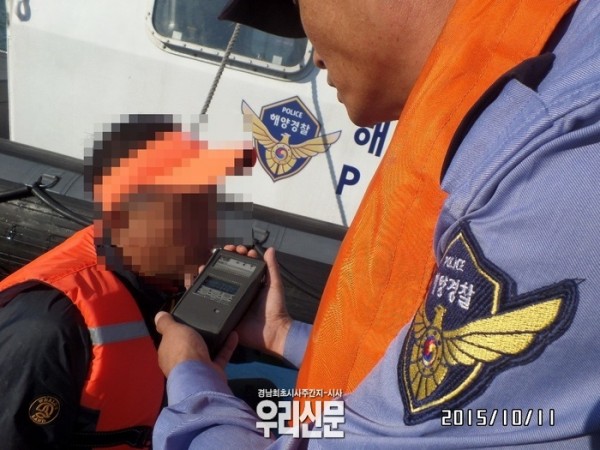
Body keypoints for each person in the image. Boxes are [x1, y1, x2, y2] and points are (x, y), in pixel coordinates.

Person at [153, 0, 600, 448]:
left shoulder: (553, 154)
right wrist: (280, 333)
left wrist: (192, 378)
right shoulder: (522, 116)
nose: (315, 56)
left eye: (299, 5)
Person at [0, 115, 253, 449]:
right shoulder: (49, 326)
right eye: (188, 208)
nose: (211, 225)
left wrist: (241, 318)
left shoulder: (163, 286)